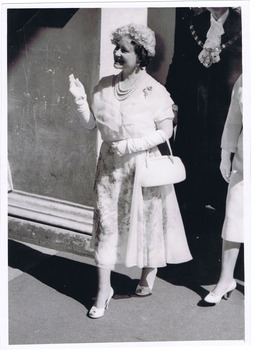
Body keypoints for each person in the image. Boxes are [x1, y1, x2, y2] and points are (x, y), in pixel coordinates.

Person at [69, 23, 192, 319]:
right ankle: (103, 289)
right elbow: (91, 125)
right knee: (107, 227)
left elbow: (165, 130)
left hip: (142, 166)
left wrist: (133, 144)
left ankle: (147, 273)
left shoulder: (155, 90)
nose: (117, 52)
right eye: (116, 47)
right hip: (110, 168)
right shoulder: (104, 84)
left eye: (124, 49)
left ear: (142, 55)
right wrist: (80, 99)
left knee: (146, 221)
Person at [164, 7, 242, 211]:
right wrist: (170, 103)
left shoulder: (244, 24)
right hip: (194, 107)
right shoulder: (192, 23)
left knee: (223, 166)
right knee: (191, 166)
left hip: (227, 110)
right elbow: (178, 64)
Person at [204, 74, 243, 304]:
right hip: (245, 160)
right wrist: (225, 156)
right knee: (234, 219)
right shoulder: (246, 79)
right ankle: (226, 279)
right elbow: (233, 119)